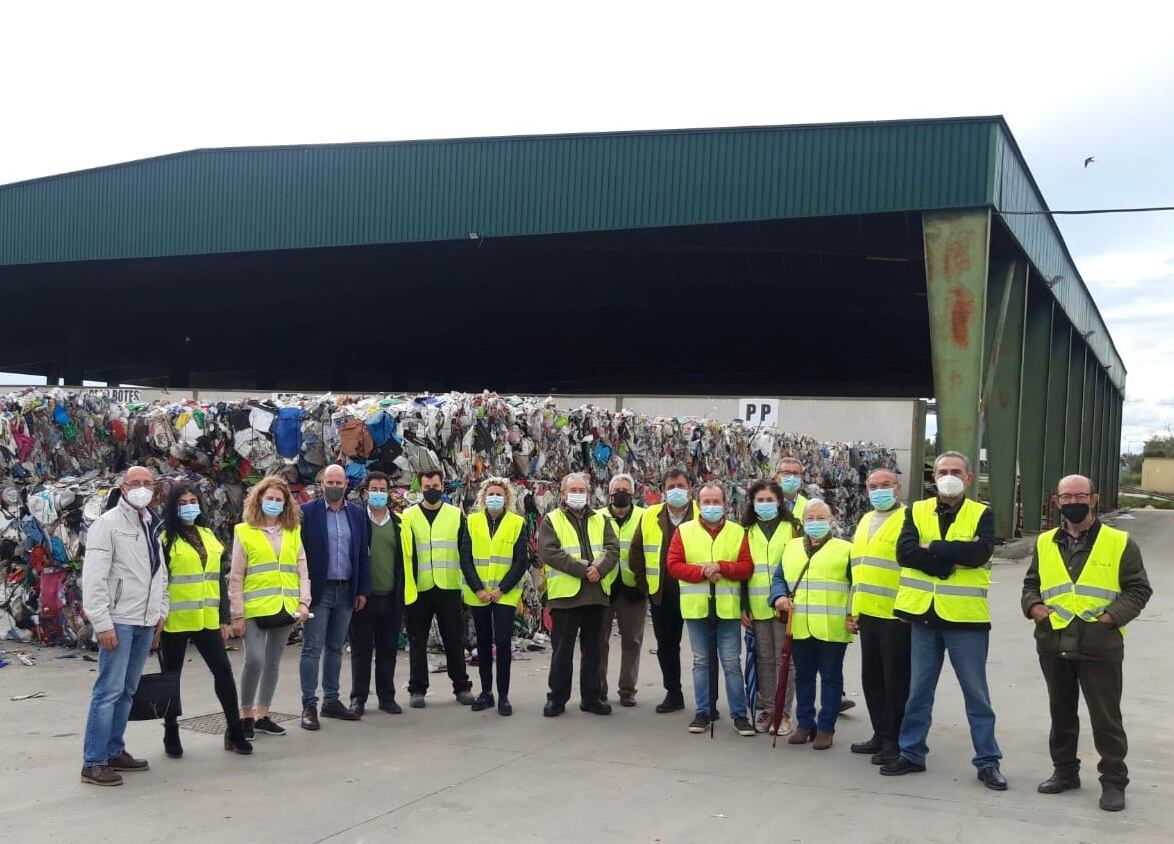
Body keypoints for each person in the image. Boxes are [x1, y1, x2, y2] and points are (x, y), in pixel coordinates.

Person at [1021, 474, 1152, 812]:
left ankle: (1113, 782)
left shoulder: (1120, 542)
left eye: (1080, 495)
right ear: (1056, 501)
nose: (1073, 502)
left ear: (1094, 498)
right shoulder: (1045, 542)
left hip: (1100, 643)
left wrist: (1112, 617)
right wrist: (1033, 606)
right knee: (1061, 712)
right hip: (1054, 639)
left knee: (1106, 718)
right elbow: (1031, 583)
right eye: (1066, 496)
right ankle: (1064, 772)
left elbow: (1138, 589)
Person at [880, 451, 1006, 790]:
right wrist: (947, 562)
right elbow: (904, 552)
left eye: (956, 471)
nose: (949, 476)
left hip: (965, 621)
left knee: (976, 694)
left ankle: (988, 761)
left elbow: (980, 554)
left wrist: (932, 545)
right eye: (942, 471)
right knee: (919, 691)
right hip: (923, 616)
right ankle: (912, 753)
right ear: (933, 477)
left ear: (967, 478)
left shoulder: (982, 514)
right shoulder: (916, 511)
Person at [80, 466, 168, 786]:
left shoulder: (151, 523)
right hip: (118, 622)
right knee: (108, 691)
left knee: (128, 691)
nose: (142, 488)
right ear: (123, 487)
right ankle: (93, 762)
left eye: (148, 483)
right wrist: (102, 622)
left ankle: (115, 750)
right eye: (135, 483)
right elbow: (94, 578)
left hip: (144, 621)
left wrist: (161, 611)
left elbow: (161, 573)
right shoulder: (107, 525)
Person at [159, 483, 251, 757]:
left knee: (223, 671)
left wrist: (224, 617)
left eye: (193, 501)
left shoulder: (208, 535)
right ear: (174, 508)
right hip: (175, 620)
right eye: (183, 502)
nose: (189, 506)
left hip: (207, 619)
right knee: (171, 679)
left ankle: (234, 730)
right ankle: (171, 729)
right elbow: (160, 582)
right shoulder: (165, 539)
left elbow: (217, 581)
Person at [668, 481, 755, 737]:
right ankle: (703, 712)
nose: (711, 506)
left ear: (725, 505)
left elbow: (746, 566)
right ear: (698, 505)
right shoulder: (683, 531)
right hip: (697, 608)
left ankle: (740, 714)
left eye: (716, 502)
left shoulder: (738, 532)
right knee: (701, 661)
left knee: (731, 662)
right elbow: (673, 565)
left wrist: (722, 567)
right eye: (706, 502)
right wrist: (702, 572)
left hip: (727, 608)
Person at [230, 476, 311, 739]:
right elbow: (236, 576)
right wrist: (237, 614)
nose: (274, 503)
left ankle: (263, 714)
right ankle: (245, 715)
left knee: (273, 662)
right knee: (254, 659)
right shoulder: (244, 531)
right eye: (270, 499)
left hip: (285, 606)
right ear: (259, 499)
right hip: (254, 608)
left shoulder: (293, 530)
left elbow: (302, 570)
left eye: (279, 499)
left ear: (286, 503)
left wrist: (303, 603)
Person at [770, 499, 853, 749]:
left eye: (821, 518)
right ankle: (805, 724)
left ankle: (826, 727)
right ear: (803, 521)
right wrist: (779, 597)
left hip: (833, 626)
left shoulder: (846, 549)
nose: (815, 523)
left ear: (831, 521)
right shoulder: (791, 547)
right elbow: (779, 579)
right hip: (800, 624)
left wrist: (853, 614)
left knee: (830, 677)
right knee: (803, 676)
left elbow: (856, 585)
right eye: (810, 518)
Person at [538, 472, 620, 717]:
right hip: (566, 597)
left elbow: (612, 548)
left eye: (581, 490)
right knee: (562, 651)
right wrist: (584, 569)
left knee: (594, 649)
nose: (577, 494)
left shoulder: (600, 519)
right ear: (563, 494)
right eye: (572, 490)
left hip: (596, 594)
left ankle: (591, 697)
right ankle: (557, 699)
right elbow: (549, 552)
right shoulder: (551, 520)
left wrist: (600, 569)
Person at [299, 464, 371, 729]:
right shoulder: (308, 513)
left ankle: (331, 700)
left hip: (346, 590)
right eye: (330, 481)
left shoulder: (357, 514)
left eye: (339, 482)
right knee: (312, 648)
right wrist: (302, 593)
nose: (334, 486)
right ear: (321, 483)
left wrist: (363, 589)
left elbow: (362, 553)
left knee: (335, 648)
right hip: (319, 591)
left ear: (346, 485)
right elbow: (301, 556)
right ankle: (309, 704)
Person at [847, 469, 909, 765]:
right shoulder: (865, 520)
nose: (878, 490)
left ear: (898, 489)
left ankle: (895, 740)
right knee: (871, 679)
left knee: (895, 681)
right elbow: (858, 570)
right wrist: (854, 610)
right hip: (868, 615)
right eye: (873, 486)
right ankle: (880, 734)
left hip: (896, 616)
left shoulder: (909, 520)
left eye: (885, 485)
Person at [401, 470, 475, 708]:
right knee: (417, 639)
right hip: (419, 588)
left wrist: (467, 586)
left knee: (454, 639)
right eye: (426, 486)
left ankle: (462, 687)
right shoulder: (408, 516)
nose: (431, 490)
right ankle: (417, 689)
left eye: (435, 485)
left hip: (449, 586)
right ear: (420, 488)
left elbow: (466, 552)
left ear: (443, 486)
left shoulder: (455, 515)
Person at [627, 468, 697, 714]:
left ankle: (707, 698)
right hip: (662, 594)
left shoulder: (703, 513)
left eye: (680, 485)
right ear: (664, 490)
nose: (676, 491)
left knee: (704, 649)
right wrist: (645, 586)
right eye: (671, 486)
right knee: (667, 645)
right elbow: (635, 553)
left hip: (697, 592)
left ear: (690, 488)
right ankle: (673, 692)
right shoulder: (650, 515)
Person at [460, 477, 529, 716]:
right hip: (478, 594)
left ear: (507, 498)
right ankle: (486, 692)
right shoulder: (472, 521)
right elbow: (465, 558)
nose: (495, 498)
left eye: (499, 494)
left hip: (505, 595)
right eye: (491, 494)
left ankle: (504, 696)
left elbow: (521, 561)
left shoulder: (517, 523)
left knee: (502, 643)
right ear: (483, 496)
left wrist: (501, 589)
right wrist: (479, 588)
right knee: (483, 643)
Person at [741, 479, 802, 735]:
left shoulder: (793, 528)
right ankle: (766, 709)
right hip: (757, 605)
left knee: (785, 660)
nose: (765, 504)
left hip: (784, 605)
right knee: (764, 659)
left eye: (770, 500)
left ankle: (783, 711)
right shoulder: (746, 530)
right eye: (760, 500)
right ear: (752, 504)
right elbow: (742, 569)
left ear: (779, 501)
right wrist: (743, 604)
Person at [349, 471, 406, 716]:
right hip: (364, 598)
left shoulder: (398, 524)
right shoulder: (358, 521)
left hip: (391, 597)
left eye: (383, 490)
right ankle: (358, 697)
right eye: (374, 489)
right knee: (361, 650)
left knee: (388, 650)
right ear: (366, 492)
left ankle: (387, 697)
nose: (378, 494)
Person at [596, 473, 647, 707]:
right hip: (603, 587)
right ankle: (598, 689)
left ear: (633, 493)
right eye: (616, 490)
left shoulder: (645, 518)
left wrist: (643, 584)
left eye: (625, 490)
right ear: (609, 493)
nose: (621, 494)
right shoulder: (596, 517)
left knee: (632, 641)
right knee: (598, 641)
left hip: (633, 588)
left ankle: (627, 690)